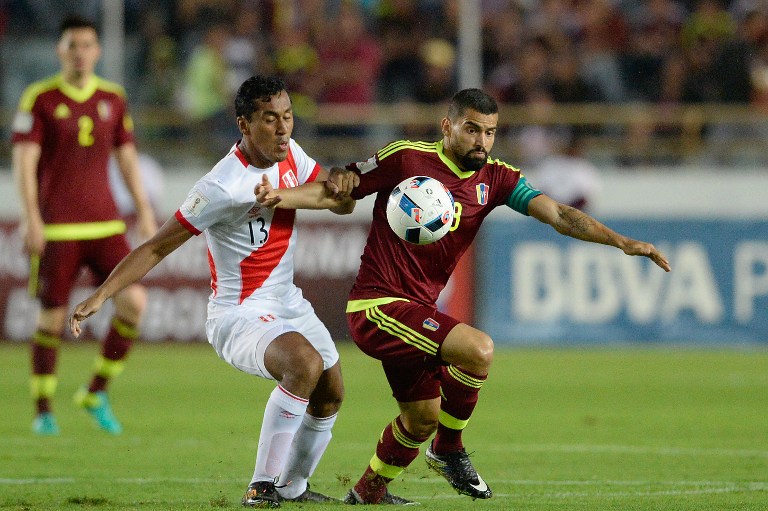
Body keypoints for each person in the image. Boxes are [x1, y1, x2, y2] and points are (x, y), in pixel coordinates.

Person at [329, 88, 671, 504]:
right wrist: (327, 182)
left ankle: (367, 493)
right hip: (377, 305)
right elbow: (343, 183)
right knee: (478, 350)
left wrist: (621, 242)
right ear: (447, 126)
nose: (482, 141)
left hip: (417, 310)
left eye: (490, 132)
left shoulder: (497, 178)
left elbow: (561, 214)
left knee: (421, 418)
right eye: (472, 129)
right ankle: (448, 448)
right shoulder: (407, 158)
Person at [68, 75, 356, 508]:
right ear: (243, 124)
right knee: (304, 363)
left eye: (288, 117)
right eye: (269, 120)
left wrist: (340, 187)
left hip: (287, 301)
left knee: (331, 389)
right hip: (238, 314)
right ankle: (262, 487)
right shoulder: (220, 186)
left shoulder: (291, 153)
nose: (282, 130)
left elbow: (336, 202)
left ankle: (294, 488)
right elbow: (156, 246)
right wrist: (103, 294)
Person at [11, 15, 157, 436]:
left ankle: (95, 392)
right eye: (72, 44)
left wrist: (145, 211)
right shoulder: (39, 98)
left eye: (88, 45)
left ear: (98, 51)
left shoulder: (113, 97)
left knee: (135, 304)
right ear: (60, 50)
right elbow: (25, 162)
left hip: (106, 226)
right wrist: (31, 218)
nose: (80, 52)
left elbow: (127, 157)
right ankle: (43, 411)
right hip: (57, 229)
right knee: (51, 321)